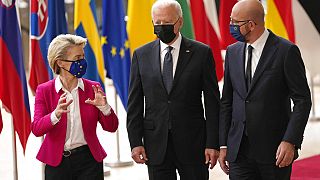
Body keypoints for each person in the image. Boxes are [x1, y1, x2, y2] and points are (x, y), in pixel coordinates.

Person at [126, 0, 220, 179]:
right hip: (156, 145)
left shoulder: (201, 53)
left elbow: (213, 103)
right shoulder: (141, 55)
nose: (162, 27)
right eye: (158, 23)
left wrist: (213, 143)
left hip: (193, 143)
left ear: (180, 22)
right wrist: (135, 142)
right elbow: (135, 103)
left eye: (167, 23)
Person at [218, 0, 312, 179]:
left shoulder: (286, 51)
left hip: (275, 152)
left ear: (251, 25)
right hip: (239, 151)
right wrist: (223, 144)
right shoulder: (232, 52)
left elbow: (302, 100)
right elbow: (227, 101)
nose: (230, 26)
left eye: (234, 22)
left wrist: (290, 140)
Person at [31, 34, 119, 180]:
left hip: (89, 161)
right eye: (77, 58)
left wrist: (105, 108)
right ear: (60, 63)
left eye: (83, 57)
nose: (82, 62)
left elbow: (112, 127)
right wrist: (56, 115)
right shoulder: (44, 90)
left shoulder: (93, 88)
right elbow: (37, 129)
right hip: (57, 162)